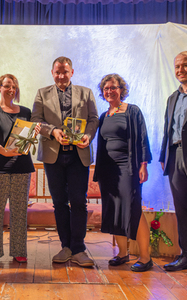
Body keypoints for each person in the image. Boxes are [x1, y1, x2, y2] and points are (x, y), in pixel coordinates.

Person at [31, 57, 99, 267]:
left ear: (72, 72)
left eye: (65, 72)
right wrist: (53, 131)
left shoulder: (86, 92)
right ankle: (65, 246)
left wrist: (88, 136)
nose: (61, 76)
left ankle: (78, 248)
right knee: (59, 202)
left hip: (79, 155)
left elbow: (94, 119)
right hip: (54, 156)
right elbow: (35, 121)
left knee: (79, 201)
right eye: (57, 72)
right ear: (52, 72)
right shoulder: (42, 93)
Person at [94, 74, 152, 272]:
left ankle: (145, 257)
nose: (109, 91)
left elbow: (143, 138)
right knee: (114, 210)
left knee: (133, 208)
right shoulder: (104, 116)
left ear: (121, 89)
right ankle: (122, 253)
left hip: (128, 168)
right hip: (108, 170)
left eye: (113, 87)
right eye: (106, 88)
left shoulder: (132, 111)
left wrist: (143, 164)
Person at [0, 74, 40, 265]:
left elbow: (26, 139)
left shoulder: (26, 111)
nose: (11, 89)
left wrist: (34, 132)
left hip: (21, 167)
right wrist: (4, 152)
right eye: (7, 86)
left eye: (14, 86)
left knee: (19, 212)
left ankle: (19, 251)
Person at [159, 51, 187, 271]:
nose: (181, 70)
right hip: (175, 155)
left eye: (185, 65)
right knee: (182, 208)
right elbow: (167, 130)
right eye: (177, 66)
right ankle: (185, 255)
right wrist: (162, 156)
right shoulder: (172, 98)